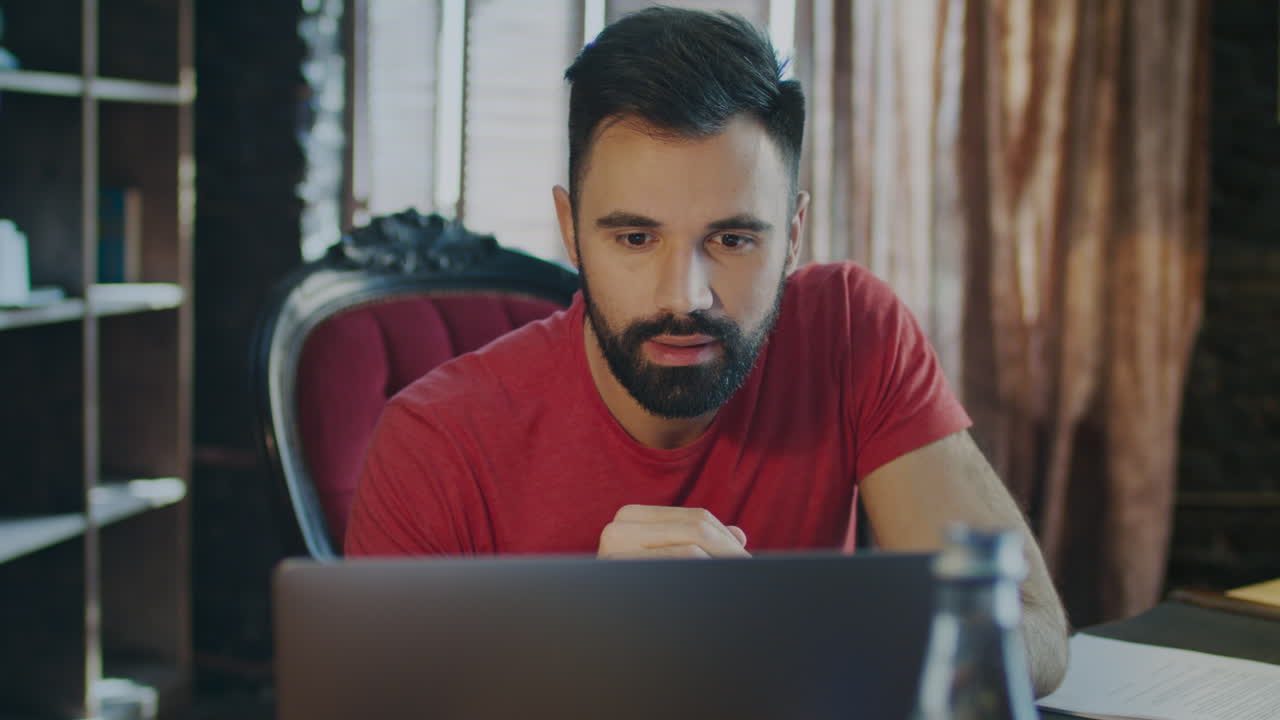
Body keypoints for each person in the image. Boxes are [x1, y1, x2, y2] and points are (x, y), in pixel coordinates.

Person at [345, 6, 1068, 696]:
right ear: (570, 228)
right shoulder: (433, 443)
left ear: (792, 234)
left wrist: (770, 628)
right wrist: (586, 643)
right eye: (634, 238)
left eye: (732, 239)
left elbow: (1033, 630)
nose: (685, 297)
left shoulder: (850, 330)